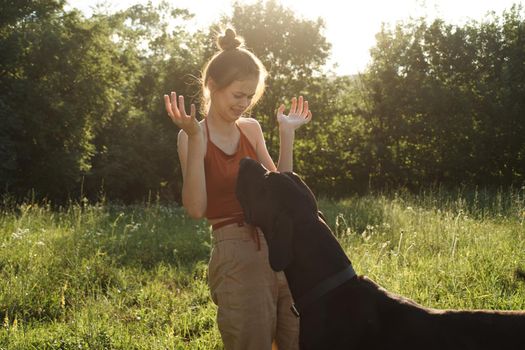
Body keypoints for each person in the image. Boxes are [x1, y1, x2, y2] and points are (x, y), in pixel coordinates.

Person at [164, 27, 312, 350]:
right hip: (235, 253)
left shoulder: (252, 129)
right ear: (212, 86)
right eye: (238, 95)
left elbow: (282, 195)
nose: (244, 104)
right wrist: (195, 138)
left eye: (250, 96)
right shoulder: (192, 136)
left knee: (296, 338)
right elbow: (195, 208)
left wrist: (287, 134)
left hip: (280, 247)